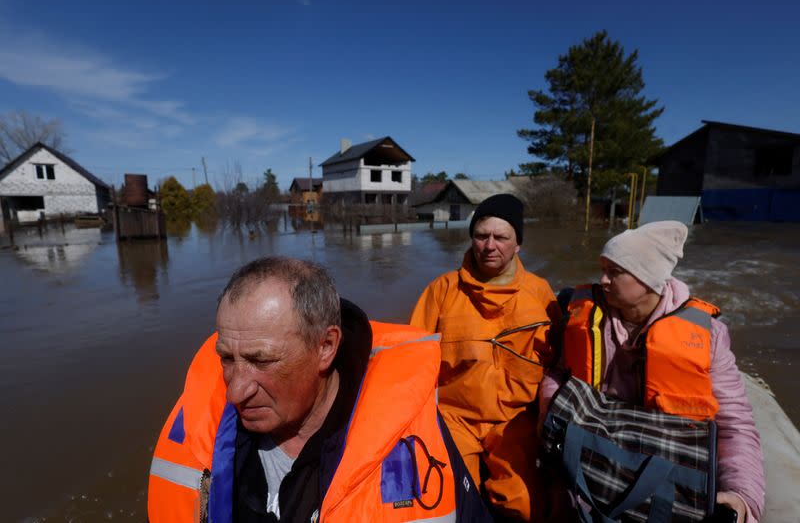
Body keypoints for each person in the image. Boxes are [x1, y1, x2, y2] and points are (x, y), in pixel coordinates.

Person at [148, 256, 492, 522]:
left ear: (325, 347)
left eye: (262, 361)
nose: (236, 391)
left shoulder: (415, 438)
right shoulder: (200, 428)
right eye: (227, 359)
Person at [540, 220, 765, 522]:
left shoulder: (709, 336)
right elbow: (559, 376)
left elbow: (735, 423)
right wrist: (553, 421)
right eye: (603, 268)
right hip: (595, 456)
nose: (602, 280)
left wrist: (742, 496)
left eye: (615, 272)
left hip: (664, 466)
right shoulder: (585, 318)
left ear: (649, 279)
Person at [410, 194, 560, 521]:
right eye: (481, 235)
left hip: (515, 418)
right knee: (450, 499)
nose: (489, 245)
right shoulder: (442, 290)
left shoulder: (540, 294)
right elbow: (412, 359)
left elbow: (559, 363)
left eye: (501, 237)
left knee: (523, 505)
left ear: (518, 244)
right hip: (455, 417)